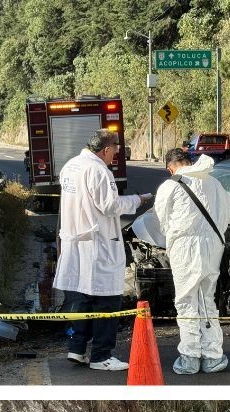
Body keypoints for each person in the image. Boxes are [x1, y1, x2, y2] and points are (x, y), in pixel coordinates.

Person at [53, 130, 150, 371]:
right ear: (106, 149)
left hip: (77, 243)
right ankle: (100, 356)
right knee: (107, 300)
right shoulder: (99, 170)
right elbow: (110, 205)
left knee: (83, 298)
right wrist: (138, 200)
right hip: (99, 243)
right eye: (116, 149)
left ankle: (76, 349)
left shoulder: (71, 166)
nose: (117, 153)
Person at [154, 148, 230, 375]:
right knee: (207, 299)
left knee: (187, 301)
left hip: (184, 248)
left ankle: (190, 357)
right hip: (213, 246)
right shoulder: (215, 184)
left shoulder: (169, 186)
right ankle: (213, 356)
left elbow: (162, 219)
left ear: (170, 168)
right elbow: (228, 214)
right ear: (188, 161)